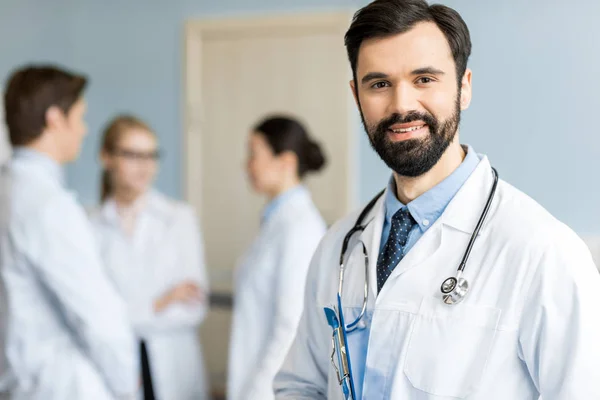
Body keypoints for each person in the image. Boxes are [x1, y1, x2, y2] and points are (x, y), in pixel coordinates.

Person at [274, 1, 600, 399]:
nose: (401, 105)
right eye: (379, 84)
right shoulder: (338, 247)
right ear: (356, 95)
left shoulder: (543, 250)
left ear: (464, 87)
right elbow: (301, 386)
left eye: (424, 78)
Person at [0, 65, 138, 399]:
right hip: (61, 385)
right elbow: (99, 318)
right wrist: (127, 386)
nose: (84, 130)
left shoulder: (9, 191)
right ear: (54, 119)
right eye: (79, 117)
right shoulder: (48, 206)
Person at [88, 115, 210, 400]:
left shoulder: (179, 218)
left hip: (173, 365)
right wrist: (161, 302)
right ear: (106, 158)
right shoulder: (88, 224)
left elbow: (193, 308)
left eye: (151, 155)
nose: (145, 165)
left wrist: (124, 313)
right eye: (132, 155)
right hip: (115, 363)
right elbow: (92, 312)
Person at [227, 116, 328, 400]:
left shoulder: (300, 229)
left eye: (253, 154)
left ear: (286, 162)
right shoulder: (277, 222)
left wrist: (256, 394)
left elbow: (290, 326)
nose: (247, 165)